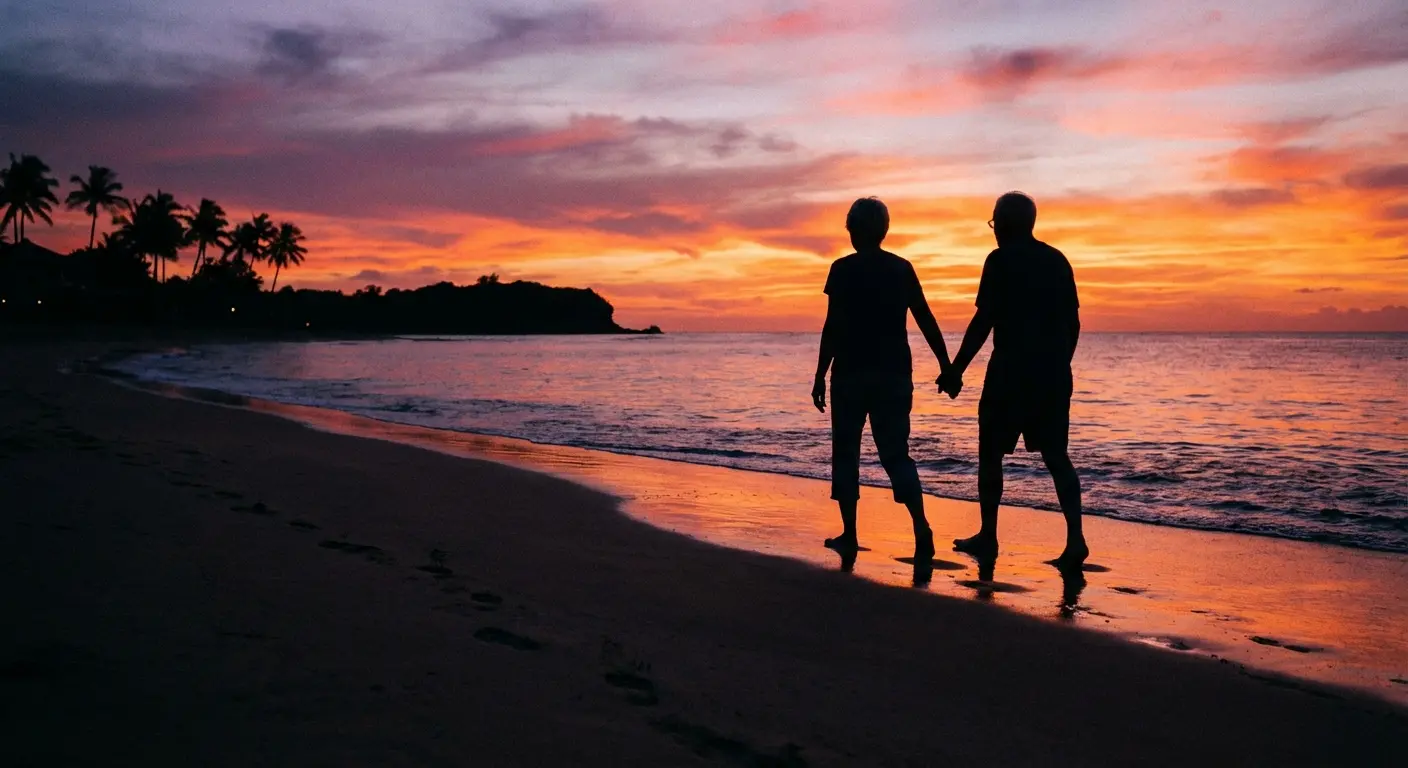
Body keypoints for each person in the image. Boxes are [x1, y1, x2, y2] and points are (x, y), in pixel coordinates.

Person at [938, 192, 1087, 569]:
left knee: (990, 454)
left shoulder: (1000, 260)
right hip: (1052, 374)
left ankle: (989, 536)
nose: (993, 231)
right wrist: (1058, 365)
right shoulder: (1057, 261)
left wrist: (956, 369)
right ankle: (1075, 540)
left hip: (1009, 373)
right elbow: (1073, 324)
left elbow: (983, 322)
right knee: (1057, 457)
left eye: (993, 223)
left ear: (1003, 224)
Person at [812, 197, 955, 561]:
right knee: (896, 454)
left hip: (850, 375)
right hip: (893, 376)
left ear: (853, 231)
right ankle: (921, 527)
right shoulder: (901, 268)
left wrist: (819, 374)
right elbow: (925, 318)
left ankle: (850, 533)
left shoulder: (841, 270)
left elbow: (833, 326)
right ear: (884, 230)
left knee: (846, 453)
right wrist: (946, 364)